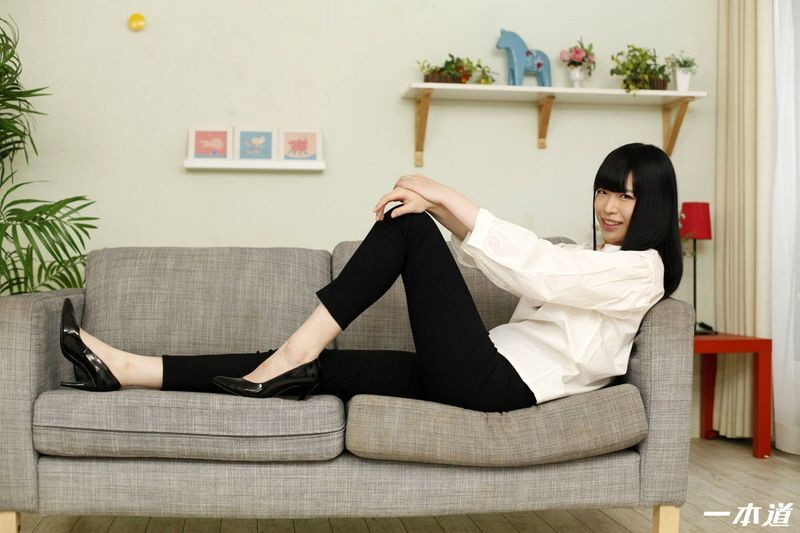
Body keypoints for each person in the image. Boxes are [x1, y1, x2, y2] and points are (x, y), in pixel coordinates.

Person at [59, 142, 682, 412]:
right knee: (311, 368)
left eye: (625, 196)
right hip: (479, 369)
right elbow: (519, 265)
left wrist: (440, 196)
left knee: (410, 230)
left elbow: (539, 270)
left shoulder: (641, 272)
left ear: (653, 204)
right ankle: (128, 369)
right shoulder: (601, 263)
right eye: (603, 191)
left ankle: (296, 350)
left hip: (497, 382)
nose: (608, 207)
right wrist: (439, 204)